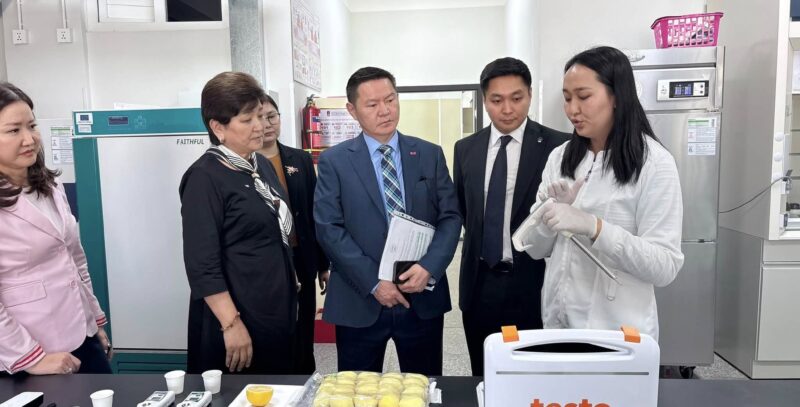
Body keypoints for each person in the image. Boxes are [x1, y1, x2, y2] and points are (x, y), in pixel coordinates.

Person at [521, 46, 684, 340]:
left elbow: (664, 266)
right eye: (567, 98)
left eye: (583, 97)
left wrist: (594, 227)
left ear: (617, 96)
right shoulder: (560, 158)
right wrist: (546, 219)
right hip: (559, 325)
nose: (572, 109)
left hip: (619, 333)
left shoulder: (654, 164)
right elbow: (534, 249)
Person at [314, 67, 461, 375]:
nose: (385, 111)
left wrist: (429, 267)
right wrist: (373, 282)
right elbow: (329, 228)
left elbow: (450, 217)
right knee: (358, 390)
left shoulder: (429, 154)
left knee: (422, 386)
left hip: (420, 296)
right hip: (359, 298)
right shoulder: (334, 161)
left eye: (390, 100)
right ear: (352, 110)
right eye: (372, 104)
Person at [453, 57, 570, 376]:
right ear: (484, 100)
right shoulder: (465, 149)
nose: (507, 109)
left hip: (532, 281)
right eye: (496, 100)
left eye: (516, 98)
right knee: (483, 372)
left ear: (530, 95)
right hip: (479, 283)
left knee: (533, 375)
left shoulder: (559, 146)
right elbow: (464, 210)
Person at [180, 72, 297, 374]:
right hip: (236, 316)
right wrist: (231, 324)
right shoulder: (204, 178)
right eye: (247, 120)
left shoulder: (260, 166)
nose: (260, 126)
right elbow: (202, 264)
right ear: (218, 128)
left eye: (260, 115)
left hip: (272, 309)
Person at [0, 82, 111, 375]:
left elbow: (75, 258)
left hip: (80, 333)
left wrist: (95, 321)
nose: (29, 139)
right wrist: (31, 359)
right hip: (29, 351)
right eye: (14, 130)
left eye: (32, 126)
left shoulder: (50, 186)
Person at [257, 95, 330, 374]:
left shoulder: (299, 159)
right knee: (275, 332)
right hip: (269, 264)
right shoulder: (245, 163)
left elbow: (315, 212)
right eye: (259, 118)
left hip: (301, 257)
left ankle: (305, 380)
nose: (266, 124)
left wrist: (323, 264)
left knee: (303, 330)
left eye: (271, 116)